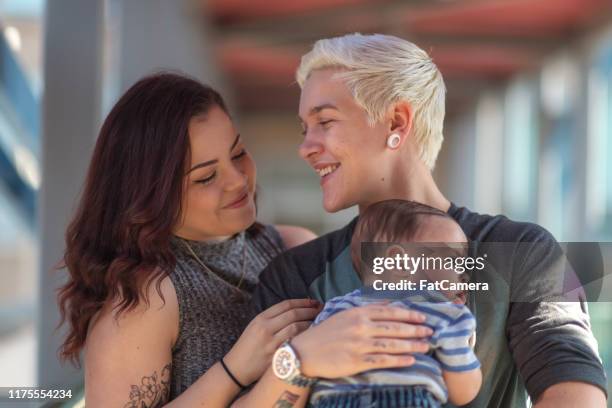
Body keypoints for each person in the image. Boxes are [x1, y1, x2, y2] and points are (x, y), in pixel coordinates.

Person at [252, 33, 607, 407]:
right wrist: (298, 360)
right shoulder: (294, 275)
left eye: (324, 121)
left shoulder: (521, 253)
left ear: (396, 122)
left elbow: (575, 392)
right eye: (304, 128)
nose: (306, 147)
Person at [57, 72, 437, 407]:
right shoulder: (145, 298)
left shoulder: (290, 244)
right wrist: (236, 369)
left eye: (238, 153)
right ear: (149, 194)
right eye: (206, 177)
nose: (238, 180)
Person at [308, 199, 482, 408]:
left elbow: (311, 363)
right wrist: (464, 346)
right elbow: (464, 393)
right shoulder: (445, 314)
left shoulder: (334, 309)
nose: (464, 274)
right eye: (453, 260)